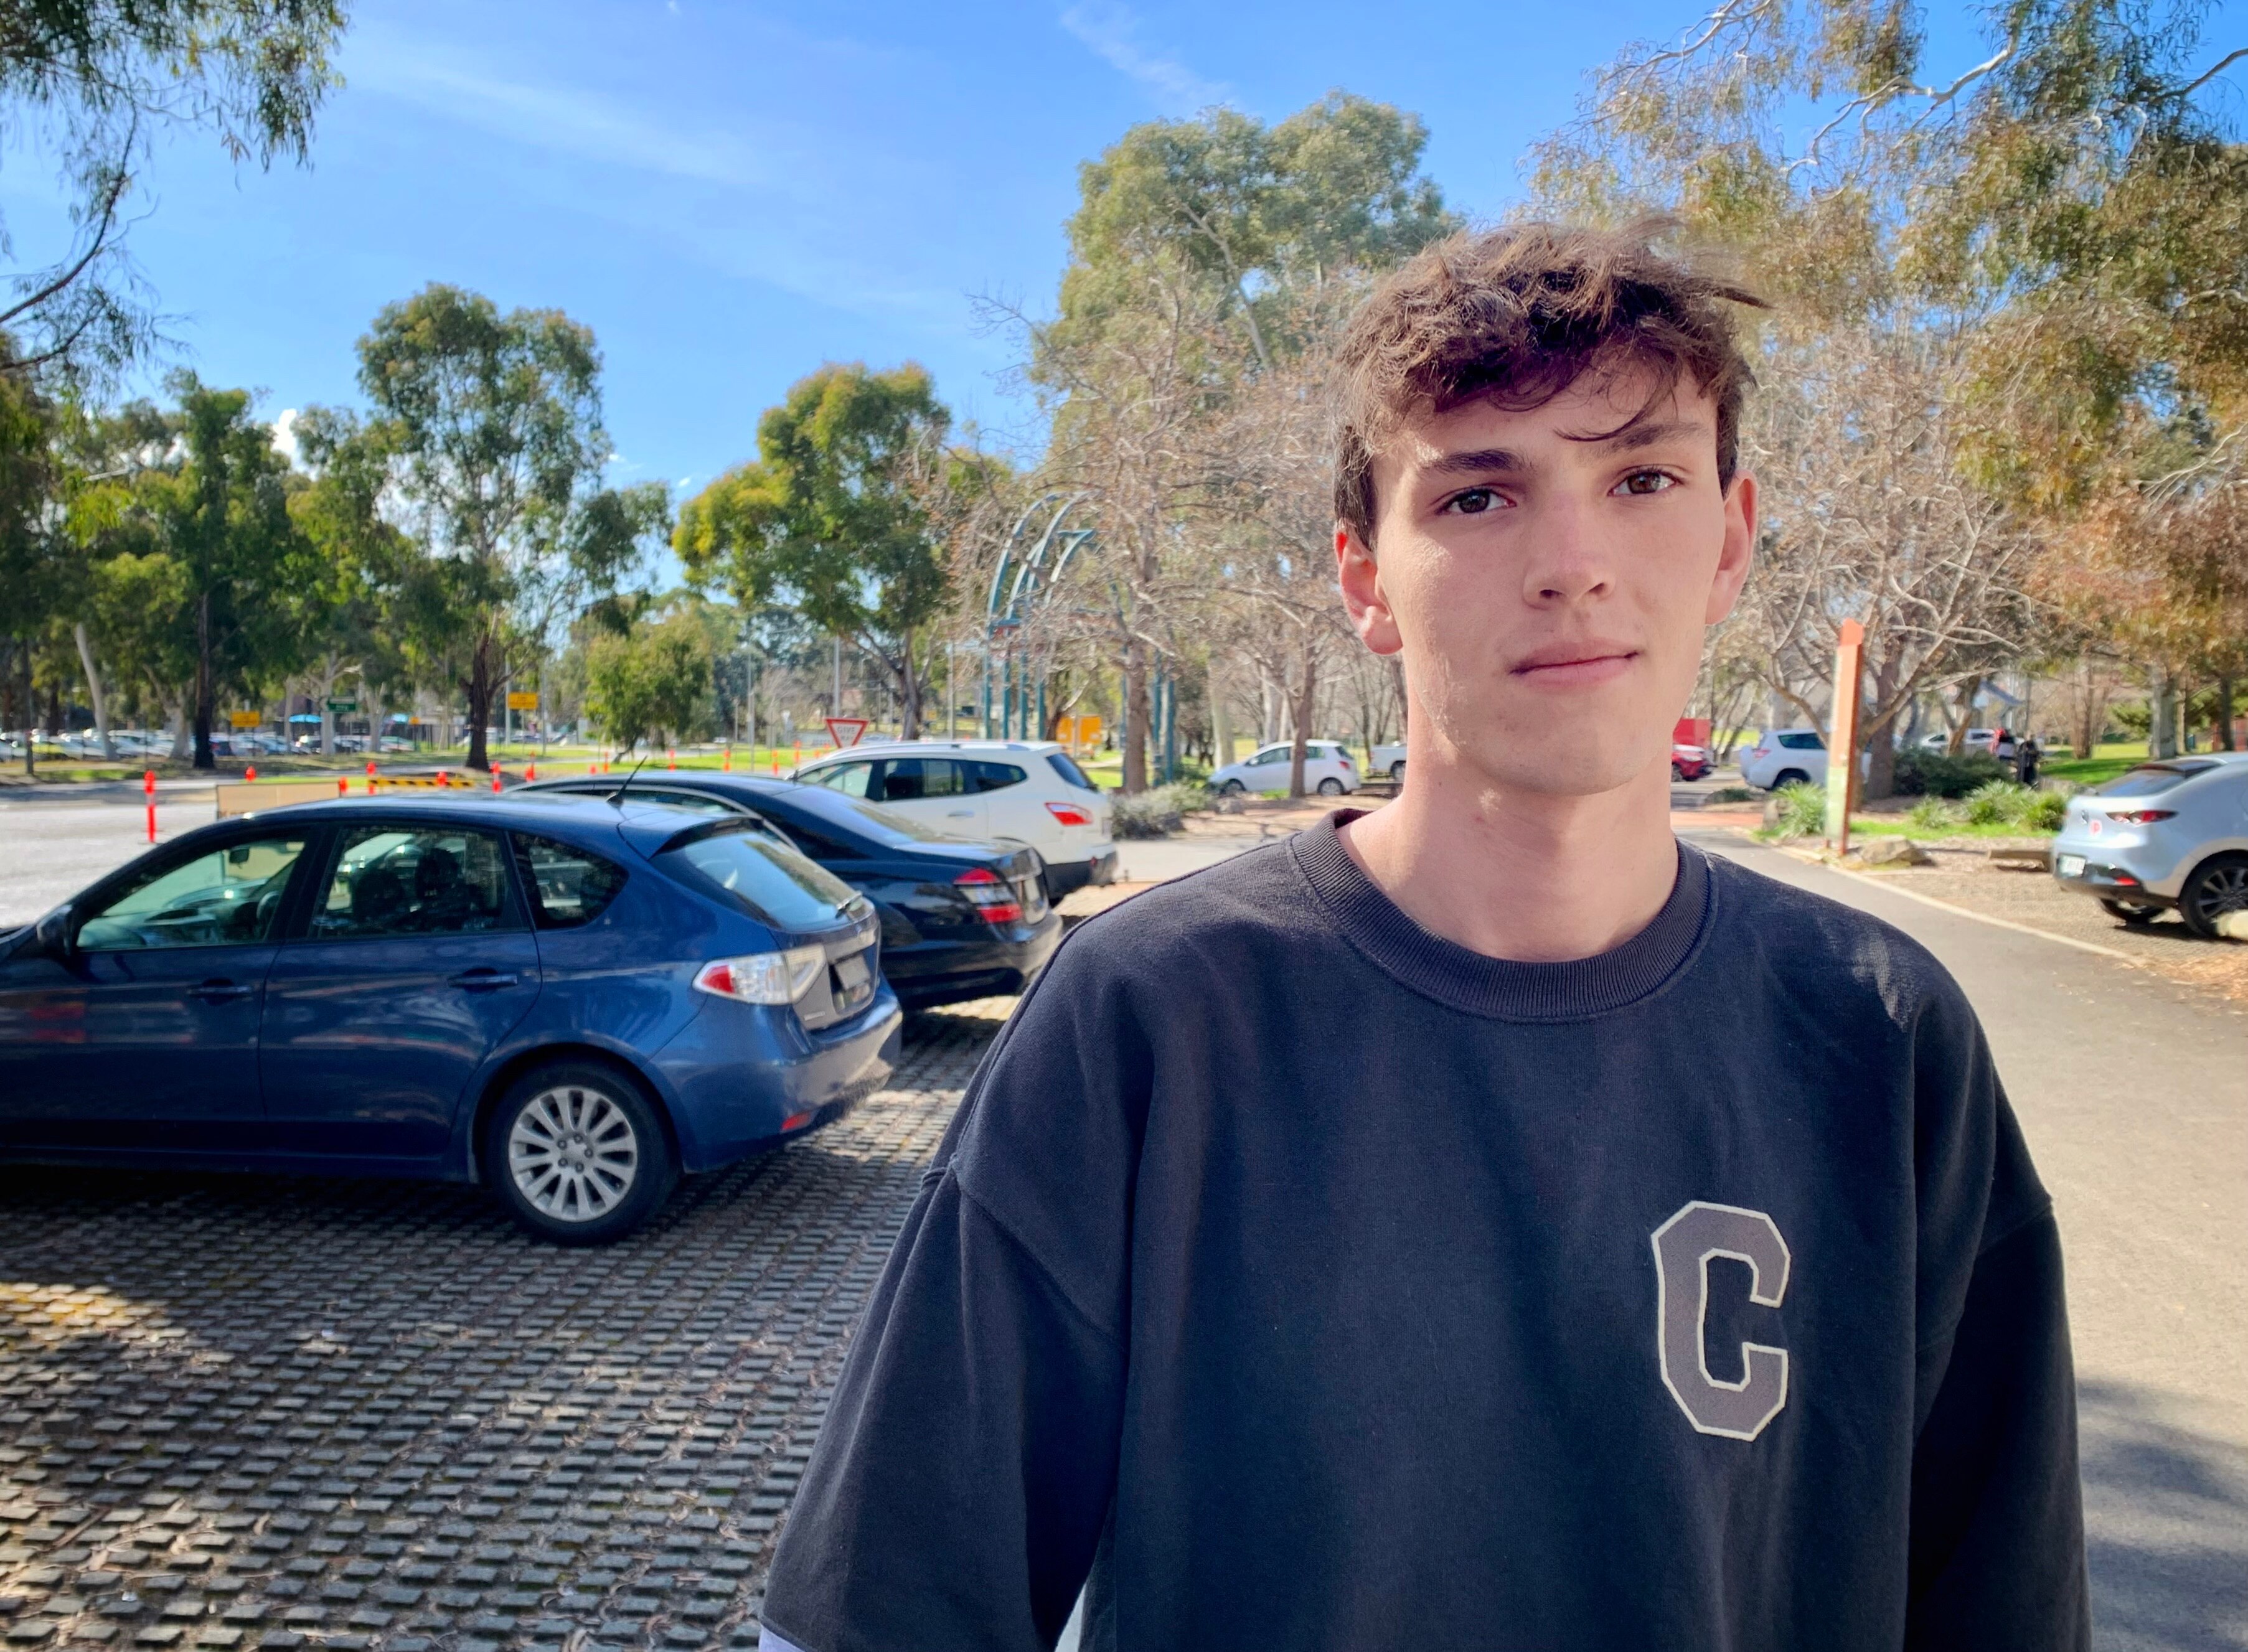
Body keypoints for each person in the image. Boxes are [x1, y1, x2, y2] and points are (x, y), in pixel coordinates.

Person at [756, 224, 2089, 1651]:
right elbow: (885, 1609)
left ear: (1731, 538)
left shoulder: (1887, 1040)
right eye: (1477, 497)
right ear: (1364, 580)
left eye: (1642, 477)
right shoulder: (1151, 1017)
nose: (1572, 561)